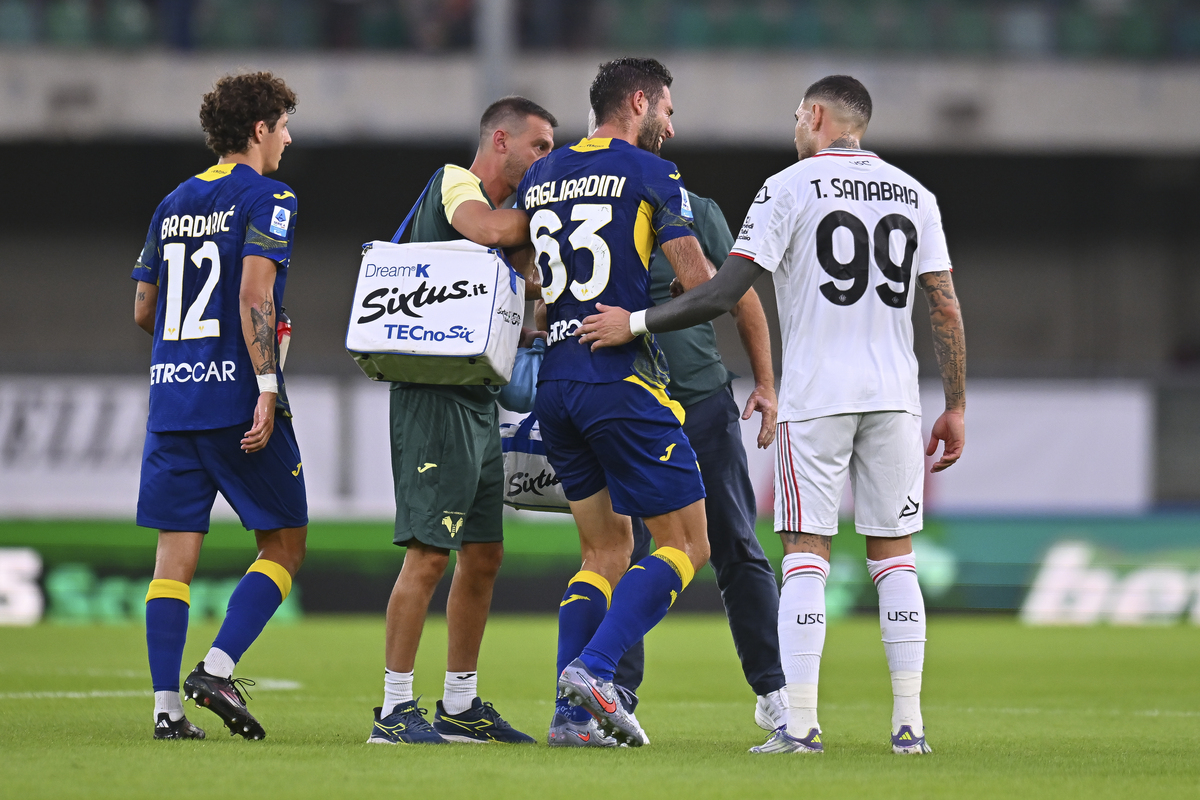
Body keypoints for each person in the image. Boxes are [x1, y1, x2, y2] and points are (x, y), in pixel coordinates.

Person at [578, 75, 967, 755]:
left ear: (816, 116)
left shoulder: (787, 187)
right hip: (896, 396)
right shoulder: (914, 194)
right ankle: (909, 726)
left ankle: (800, 724)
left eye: (795, 116)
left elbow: (727, 289)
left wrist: (636, 319)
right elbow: (944, 306)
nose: (794, 127)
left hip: (818, 397)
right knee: (894, 558)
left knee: (804, 558)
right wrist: (956, 405)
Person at [518, 57, 737, 747]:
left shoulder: (542, 173)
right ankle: (596, 669)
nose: (671, 125)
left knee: (603, 552)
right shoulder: (651, 174)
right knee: (688, 541)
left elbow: (529, 282)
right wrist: (643, 315)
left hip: (555, 382)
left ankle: (570, 719)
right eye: (667, 109)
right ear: (637, 102)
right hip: (621, 379)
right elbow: (703, 287)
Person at [368, 96, 556, 746]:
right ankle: (393, 711)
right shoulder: (457, 183)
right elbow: (486, 230)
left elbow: (520, 303)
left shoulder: (515, 227)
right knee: (429, 555)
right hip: (431, 395)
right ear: (501, 140)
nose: (547, 161)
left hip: (475, 397)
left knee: (484, 554)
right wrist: (546, 215)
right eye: (541, 148)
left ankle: (459, 704)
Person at [131, 72, 306, 741]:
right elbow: (254, 293)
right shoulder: (272, 196)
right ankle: (219, 667)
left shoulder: (172, 202)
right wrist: (265, 383)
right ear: (259, 130)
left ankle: (166, 711)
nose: (288, 139)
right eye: (284, 125)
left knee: (173, 558)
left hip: (171, 401)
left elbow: (144, 307)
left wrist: (188, 348)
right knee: (285, 543)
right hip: (235, 398)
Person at [612, 182, 788, 735]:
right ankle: (614, 695)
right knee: (624, 551)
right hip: (627, 403)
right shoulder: (591, 202)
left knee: (736, 543)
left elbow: (742, 297)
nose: (670, 123)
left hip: (702, 402)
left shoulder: (695, 208)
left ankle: (775, 687)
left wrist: (765, 384)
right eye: (664, 110)